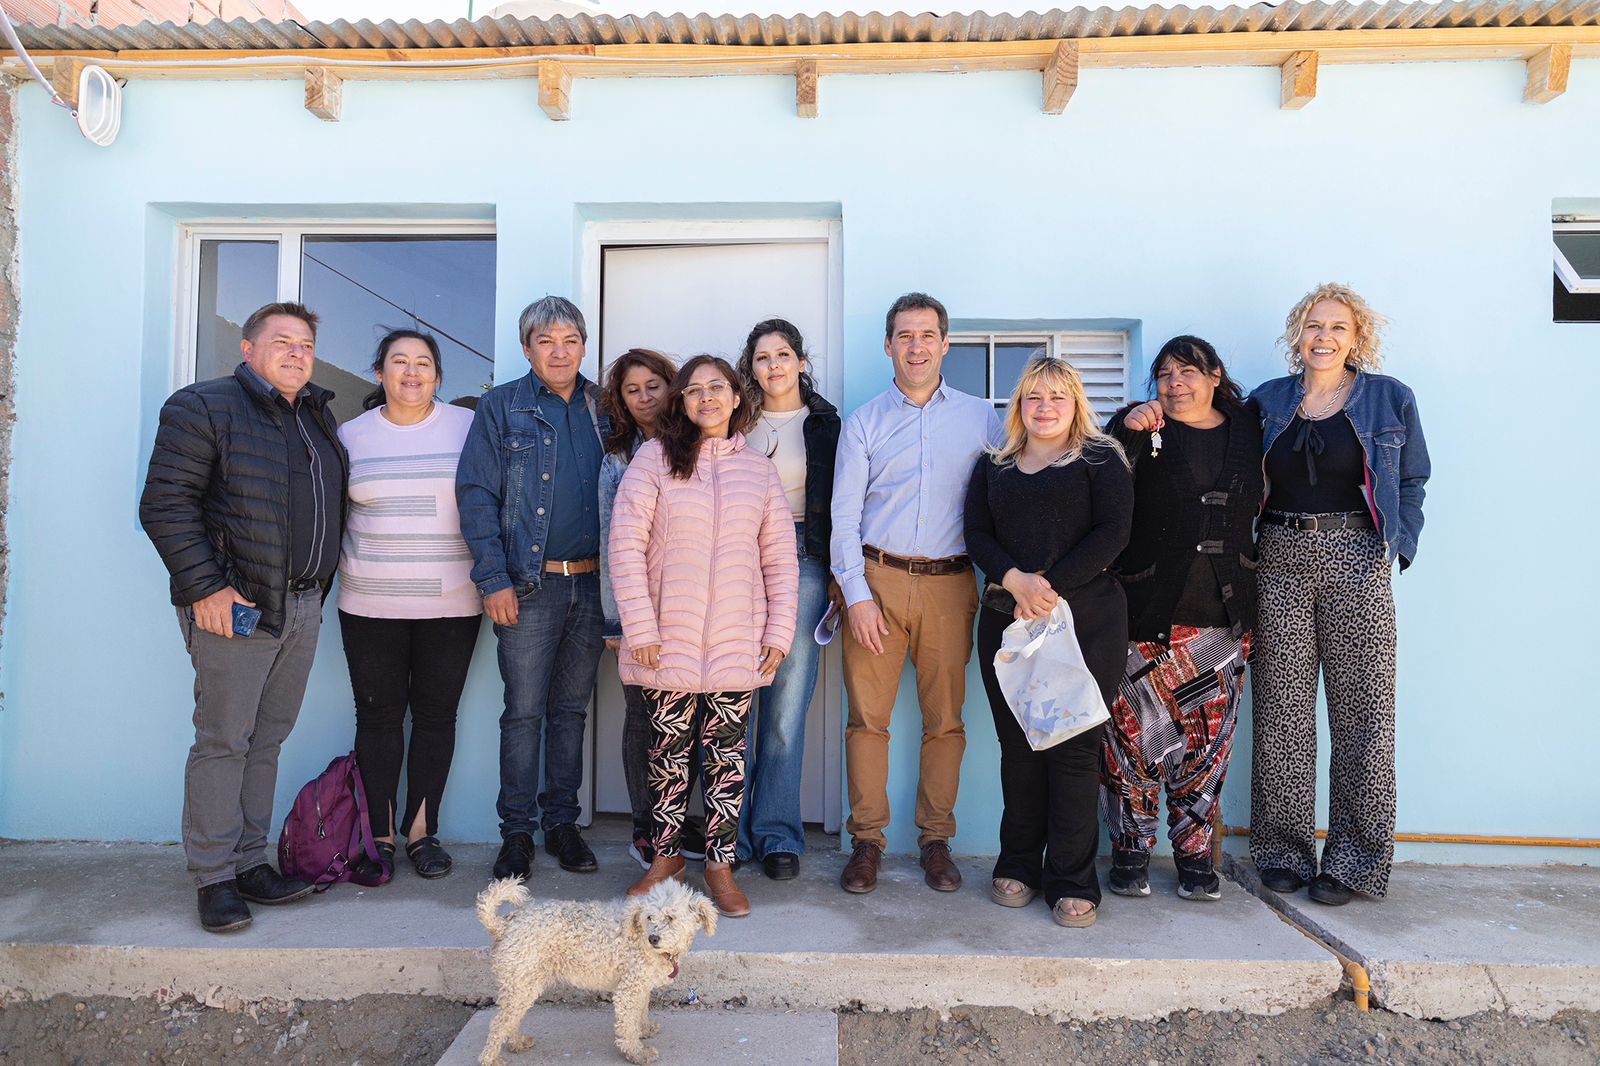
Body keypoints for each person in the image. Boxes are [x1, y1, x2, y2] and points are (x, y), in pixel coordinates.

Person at [1124, 284, 1430, 906]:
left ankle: (1355, 861)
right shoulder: (1266, 403)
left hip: (1357, 556)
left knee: (1364, 715)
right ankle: (1284, 852)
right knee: (1281, 712)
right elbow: (1199, 427)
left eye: (1337, 328)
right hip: (1280, 557)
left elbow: (1414, 477)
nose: (1324, 337)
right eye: (1314, 326)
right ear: (1299, 334)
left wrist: (1399, 543)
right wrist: (1142, 413)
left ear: (1356, 337)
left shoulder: (1389, 399)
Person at [140, 301, 347, 933]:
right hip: (238, 605)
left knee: (267, 738)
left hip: (304, 603)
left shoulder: (316, 417)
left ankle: (250, 862)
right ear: (247, 349)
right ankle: (213, 878)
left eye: (307, 345)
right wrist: (205, 587)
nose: (296, 354)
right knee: (224, 740)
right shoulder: (203, 406)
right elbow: (164, 504)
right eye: (281, 341)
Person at [609, 355, 799, 917]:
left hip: (737, 641)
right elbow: (625, 547)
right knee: (666, 755)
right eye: (694, 391)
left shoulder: (760, 471)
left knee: (726, 761)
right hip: (667, 640)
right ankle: (665, 859)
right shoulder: (653, 460)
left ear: (737, 398)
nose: (707, 398)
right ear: (682, 403)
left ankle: (719, 864)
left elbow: (780, 562)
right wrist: (639, 624)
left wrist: (778, 632)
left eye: (718, 388)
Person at [831, 292, 1002, 895]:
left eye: (927, 335)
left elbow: (1019, 488)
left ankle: (936, 839)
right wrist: (855, 595)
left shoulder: (984, 419)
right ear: (888, 345)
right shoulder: (865, 422)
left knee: (945, 723)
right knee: (867, 722)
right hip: (876, 582)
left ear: (945, 344)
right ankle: (867, 842)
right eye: (904, 336)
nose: (916, 346)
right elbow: (843, 518)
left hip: (951, 585)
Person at [964, 357, 1133, 927]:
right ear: (1019, 405)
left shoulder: (1101, 459)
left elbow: (1114, 533)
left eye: (1058, 397)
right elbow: (977, 534)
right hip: (1008, 623)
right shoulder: (994, 465)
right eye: (1034, 396)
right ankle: (1018, 865)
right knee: (1019, 748)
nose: (1045, 407)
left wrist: (1049, 586)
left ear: (1076, 404)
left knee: (1074, 751)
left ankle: (1072, 879)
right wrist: (1015, 580)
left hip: (1085, 624)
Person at [1099, 336, 1262, 903]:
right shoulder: (1141, 430)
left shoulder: (1249, 430)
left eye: (1188, 371)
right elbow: (1100, 474)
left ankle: (1195, 854)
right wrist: (1126, 424)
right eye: (1164, 374)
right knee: (1132, 743)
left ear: (1215, 375)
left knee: (1207, 748)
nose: (1175, 383)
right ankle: (1131, 850)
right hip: (1146, 620)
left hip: (1222, 622)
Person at [457, 296, 609, 881]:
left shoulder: (605, 407)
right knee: (522, 713)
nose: (559, 351)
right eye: (546, 341)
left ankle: (562, 825)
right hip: (527, 588)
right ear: (527, 349)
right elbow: (476, 494)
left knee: (570, 711)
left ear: (583, 346)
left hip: (596, 587)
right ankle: (516, 834)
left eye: (570, 340)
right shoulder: (502, 406)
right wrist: (492, 579)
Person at [336, 329, 481, 881]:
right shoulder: (350, 436)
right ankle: (379, 836)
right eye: (400, 362)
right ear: (380, 373)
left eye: (424, 363)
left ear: (439, 377)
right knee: (377, 717)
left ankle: (423, 833)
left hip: (452, 602)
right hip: (368, 602)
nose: (412, 372)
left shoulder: (467, 428)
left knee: (436, 717)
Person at [733, 319, 841, 880]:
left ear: (801, 361)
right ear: (749, 367)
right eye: (760, 357)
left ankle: (776, 833)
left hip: (803, 557)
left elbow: (846, 504)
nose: (772, 365)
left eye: (782, 354)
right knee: (732, 698)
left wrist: (842, 576)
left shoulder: (826, 423)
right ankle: (729, 832)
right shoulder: (733, 422)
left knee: (785, 703)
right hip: (735, 559)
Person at [596, 347, 708, 870]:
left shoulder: (705, 446)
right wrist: (618, 620)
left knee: (699, 722)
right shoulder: (619, 459)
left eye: (653, 386)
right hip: (639, 616)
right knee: (645, 720)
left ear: (674, 387)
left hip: (699, 612)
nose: (644, 397)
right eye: (630, 390)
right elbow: (610, 541)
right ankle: (647, 828)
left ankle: (688, 821)